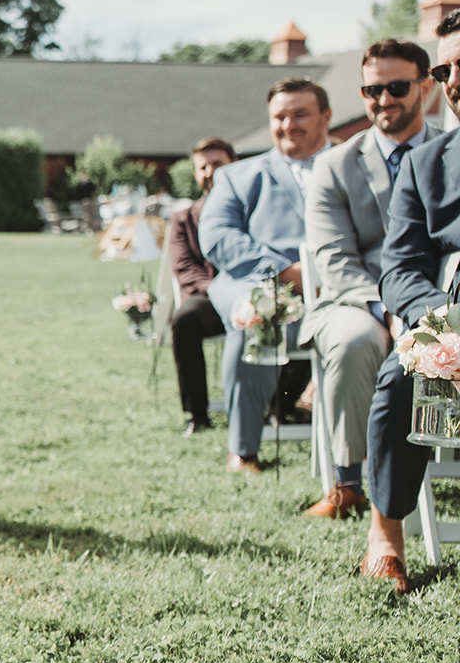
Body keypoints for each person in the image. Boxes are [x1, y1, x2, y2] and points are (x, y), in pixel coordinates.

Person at [302, 40, 435, 519]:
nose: (383, 99)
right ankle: (349, 482)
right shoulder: (334, 166)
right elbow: (333, 259)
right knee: (358, 341)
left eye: (396, 87)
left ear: (426, 87)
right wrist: (387, 311)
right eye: (372, 89)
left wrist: (425, 310)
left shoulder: (450, 155)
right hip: (355, 301)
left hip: (436, 299)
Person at [362, 11, 460, 592]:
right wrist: (438, 320)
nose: (454, 81)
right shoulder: (426, 165)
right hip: (449, 317)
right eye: (446, 68)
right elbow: (399, 268)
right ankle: (386, 531)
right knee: (405, 372)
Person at [199, 77, 331, 473]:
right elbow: (218, 237)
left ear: (326, 115)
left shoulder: (355, 165)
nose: (288, 124)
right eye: (279, 116)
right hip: (256, 281)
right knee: (254, 318)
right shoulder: (238, 176)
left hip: (338, 282)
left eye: (300, 114)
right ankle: (244, 450)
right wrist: (285, 273)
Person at [167, 138, 234, 435]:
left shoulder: (254, 208)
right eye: (202, 167)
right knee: (183, 320)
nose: (210, 172)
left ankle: (280, 408)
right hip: (209, 299)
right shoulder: (183, 219)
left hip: (255, 293)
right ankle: (197, 415)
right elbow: (185, 270)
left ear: (234, 165)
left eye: (217, 163)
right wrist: (224, 292)